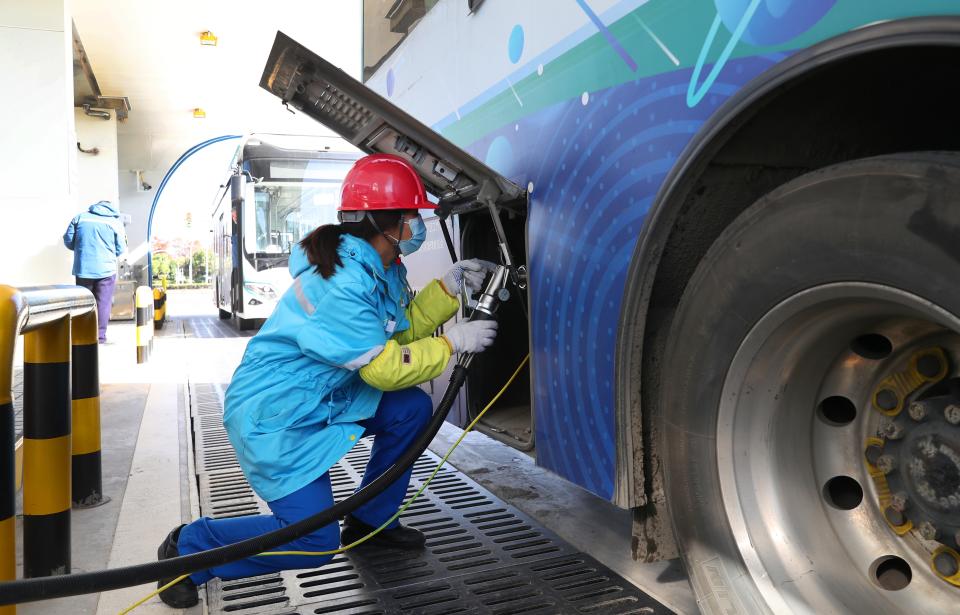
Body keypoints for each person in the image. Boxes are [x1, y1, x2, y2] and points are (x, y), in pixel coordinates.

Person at [156, 154, 499, 608]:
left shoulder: (378, 267)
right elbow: (383, 367)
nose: (417, 224)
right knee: (314, 542)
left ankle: (370, 520)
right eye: (411, 214)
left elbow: (394, 333)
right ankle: (191, 547)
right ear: (384, 221)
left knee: (411, 409)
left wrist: (448, 289)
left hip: (324, 398)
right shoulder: (343, 283)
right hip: (278, 418)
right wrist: (452, 344)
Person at [63, 200, 127, 343]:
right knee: (103, 303)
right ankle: (99, 337)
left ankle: (81, 335)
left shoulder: (80, 217)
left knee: (83, 303)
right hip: (107, 269)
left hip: (83, 268)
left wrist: (82, 249)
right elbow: (120, 248)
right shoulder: (115, 222)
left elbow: (68, 240)